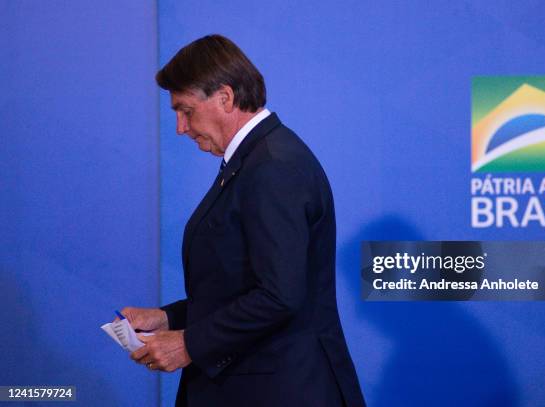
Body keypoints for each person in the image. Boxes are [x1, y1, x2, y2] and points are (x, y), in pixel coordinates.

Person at [120, 34, 366, 407]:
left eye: (185, 110)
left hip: (280, 391)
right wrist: (167, 318)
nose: (180, 128)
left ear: (225, 97)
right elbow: (241, 286)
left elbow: (279, 295)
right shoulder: (253, 161)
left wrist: (188, 344)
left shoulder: (273, 167)